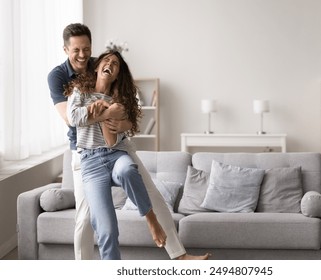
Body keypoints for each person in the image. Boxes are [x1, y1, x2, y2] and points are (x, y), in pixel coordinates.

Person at [48, 23, 209, 260]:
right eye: (76, 50)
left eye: (87, 49)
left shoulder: (100, 64)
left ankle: (179, 255)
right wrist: (106, 112)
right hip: (84, 152)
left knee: (151, 193)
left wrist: (121, 120)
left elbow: (127, 117)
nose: (83, 55)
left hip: (117, 148)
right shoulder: (60, 77)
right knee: (86, 218)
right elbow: (70, 119)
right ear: (65, 50)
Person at [65, 50, 168, 259]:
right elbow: (74, 117)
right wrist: (106, 113)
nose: (110, 64)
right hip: (90, 162)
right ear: (97, 67)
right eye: (107, 60)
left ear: (116, 75)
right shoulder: (80, 92)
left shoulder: (118, 101)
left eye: (115, 64)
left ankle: (151, 219)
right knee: (106, 230)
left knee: (128, 169)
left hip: (115, 155)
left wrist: (105, 110)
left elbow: (111, 141)